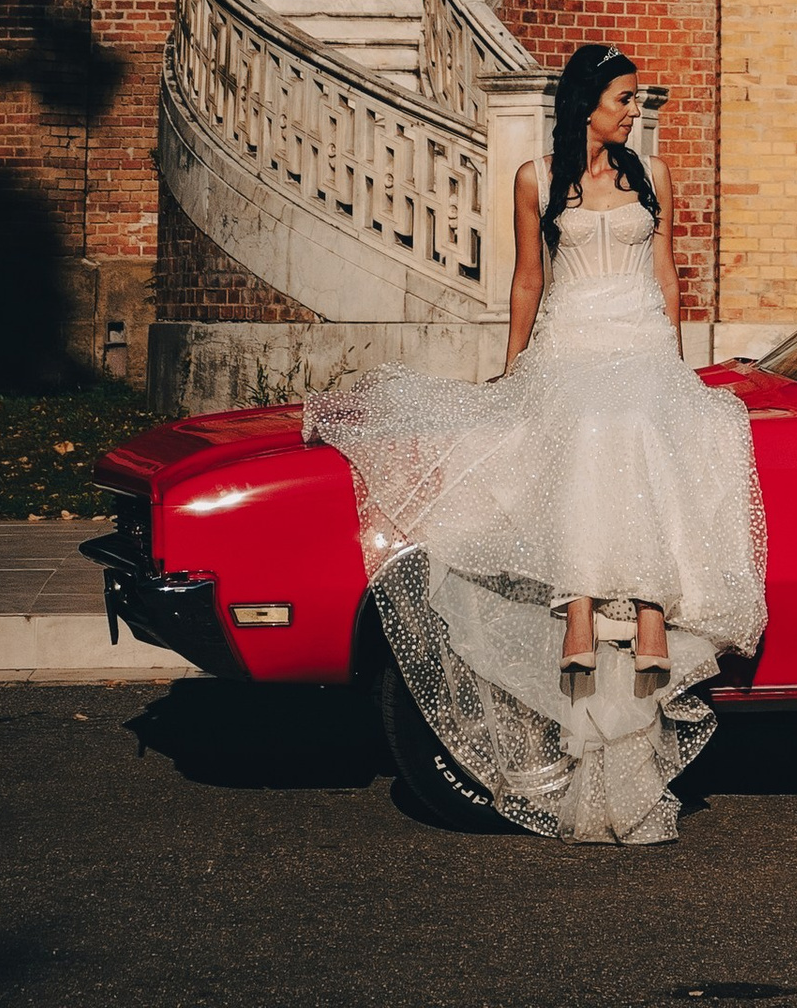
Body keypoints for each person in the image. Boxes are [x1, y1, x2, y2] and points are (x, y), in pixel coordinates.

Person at [306, 42, 765, 844]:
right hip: (571, 339)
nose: (632, 112)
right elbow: (528, 279)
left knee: (655, 422)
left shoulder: (651, 178)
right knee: (585, 423)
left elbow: (666, 276)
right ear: (588, 102)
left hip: (639, 341)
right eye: (623, 99)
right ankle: (580, 608)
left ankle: (647, 610)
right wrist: (514, 370)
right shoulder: (533, 179)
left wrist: (675, 361)